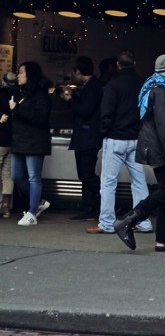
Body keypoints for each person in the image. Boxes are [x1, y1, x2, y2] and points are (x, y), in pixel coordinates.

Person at [113, 54, 165, 253]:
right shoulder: (162, 92)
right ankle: (128, 220)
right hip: (161, 150)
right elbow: (164, 127)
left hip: (155, 148)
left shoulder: (152, 87)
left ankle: (163, 239)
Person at [87, 50, 153, 236]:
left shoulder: (113, 84)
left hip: (115, 138)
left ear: (117, 64)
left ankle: (107, 223)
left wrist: (103, 133)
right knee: (139, 182)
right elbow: (147, 110)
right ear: (135, 63)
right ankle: (143, 222)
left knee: (108, 182)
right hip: (136, 138)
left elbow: (106, 113)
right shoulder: (142, 84)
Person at [6, 62, 52, 227]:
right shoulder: (21, 93)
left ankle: (32, 212)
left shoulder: (41, 94)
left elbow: (40, 118)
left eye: (21, 73)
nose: (18, 75)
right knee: (16, 176)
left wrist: (17, 109)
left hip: (34, 141)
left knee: (33, 177)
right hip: (19, 141)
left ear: (30, 75)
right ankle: (38, 202)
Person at [62, 56, 103, 221]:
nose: (73, 76)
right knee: (85, 174)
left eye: (74, 72)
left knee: (86, 174)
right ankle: (90, 208)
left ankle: (104, 200)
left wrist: (70, 99)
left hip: (87, 137)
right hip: (86, 137)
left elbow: (85, 111)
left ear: (79, 71)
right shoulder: (91, 86)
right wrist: (74, 97)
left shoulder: (92, 86)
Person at [0, 72, 17, 218]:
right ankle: (5, 208)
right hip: (12, 141)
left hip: (0, 139)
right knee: (7, 174)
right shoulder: (18, 95)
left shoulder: (0, 94)